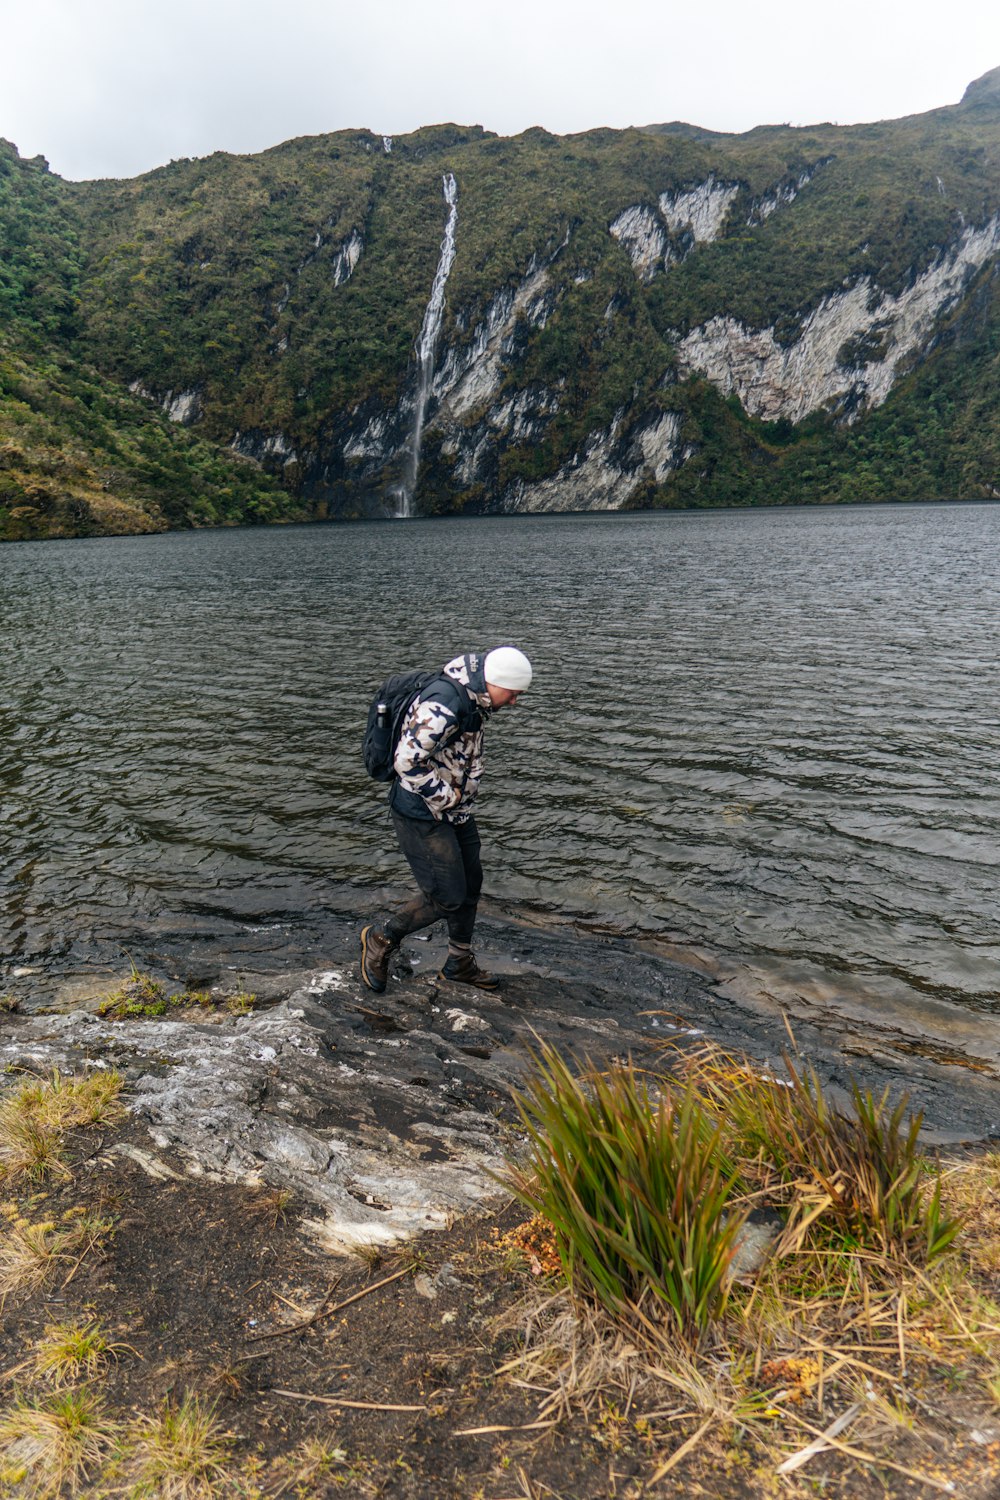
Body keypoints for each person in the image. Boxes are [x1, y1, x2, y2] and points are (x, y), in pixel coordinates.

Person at [359, 646, 532, 993]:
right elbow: (406, 761)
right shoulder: (446, 705)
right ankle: (381, 938)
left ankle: (458, 963)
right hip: (422, 811)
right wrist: (445, 796)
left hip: (454, 811)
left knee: (470, 883)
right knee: (445, 895)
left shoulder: (474, 697)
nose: (514, 702)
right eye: (512, 694)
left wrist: (456, 801)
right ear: (495, 682)